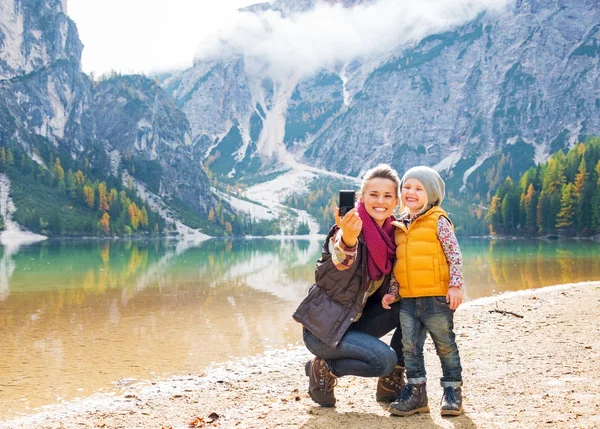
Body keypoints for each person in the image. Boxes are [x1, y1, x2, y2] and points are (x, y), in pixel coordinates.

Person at [293, 164, 406, 407]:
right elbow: (340, 262)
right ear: (361, 197)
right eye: (373, 194)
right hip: (323, 332)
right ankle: (324, 367)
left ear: (396, 200)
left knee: (413, 306)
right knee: (383, 361)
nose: (380, 201)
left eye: (387, 195)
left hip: (354, 324)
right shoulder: (345, 230)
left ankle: (391, 383)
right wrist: (349, 238)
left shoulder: (392, 236)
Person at [382, 166, 465, 417]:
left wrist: (455, 285)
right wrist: (393, 292)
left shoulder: (438, 221)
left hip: (436, 299)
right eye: (406, 187)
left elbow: (454, 255)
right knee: (410, 348)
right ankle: (417, 392)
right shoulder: (399, 226)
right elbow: (399, 265)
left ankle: (452, 392)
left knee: (445, 346)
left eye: (418, 188)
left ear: (430, 194)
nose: (411, 192)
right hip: (408, 300)